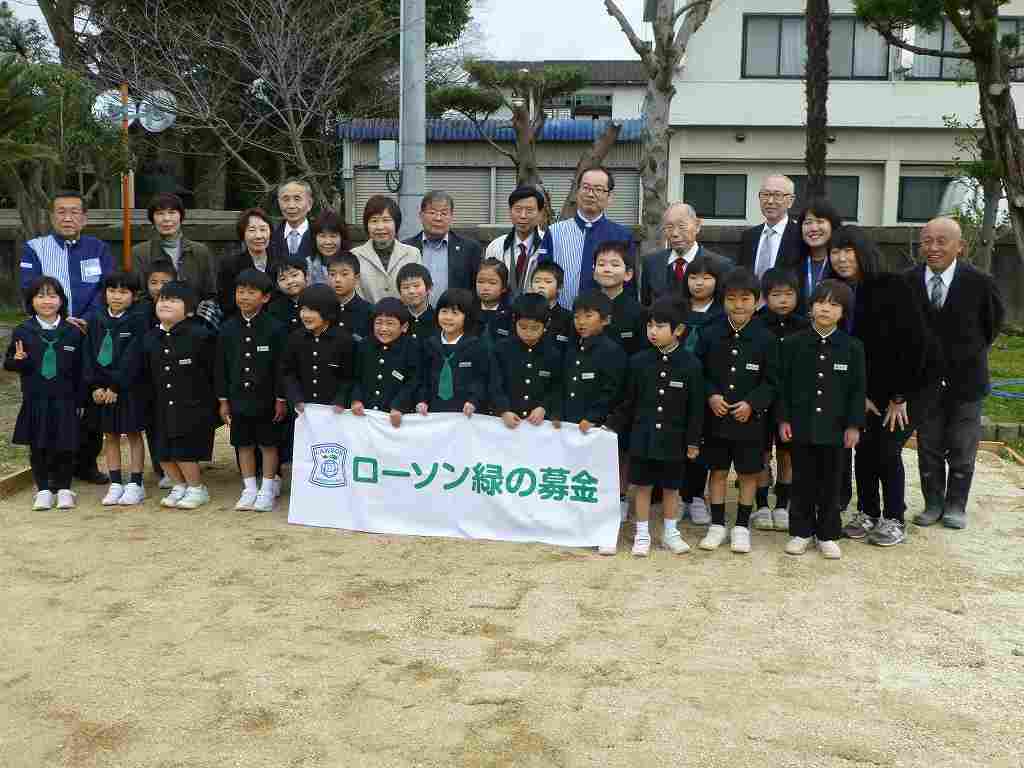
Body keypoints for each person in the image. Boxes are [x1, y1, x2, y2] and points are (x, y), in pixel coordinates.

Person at [828, 226, 930, 547]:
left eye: (848, 250)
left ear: (863, 252)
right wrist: (859, 396)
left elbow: (913, 344)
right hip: (864, 391)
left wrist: (898, 397)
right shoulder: (836, 291)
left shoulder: (892, 285)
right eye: (835, 252)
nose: (842, 258)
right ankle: (868, 512)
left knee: (887, 450)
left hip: (907, 387)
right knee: (864, 449)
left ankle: (894, 517)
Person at [906, 217, 1004, 530]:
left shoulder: (980, 282)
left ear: (959, 247)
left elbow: (991, 326)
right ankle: (933, 502)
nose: (933, 248)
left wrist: (964, 354)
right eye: (926, 241)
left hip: (967, 381)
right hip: (925, 381)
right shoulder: (907, 281)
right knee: (929, 445)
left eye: (941, 241)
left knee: (963, 447)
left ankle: (956, 504)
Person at [20, 190, 112, 485]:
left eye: (74, 211)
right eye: (61, 211)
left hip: (89, 331)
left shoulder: (97, 248)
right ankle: (50, 467)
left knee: (89, 396)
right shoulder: (34, 248)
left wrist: (86, 319)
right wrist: (60, 320)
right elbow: (28, 289)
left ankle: (86, 463)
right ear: (52, 216)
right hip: (50, 334)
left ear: (84, 217)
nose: (68, 217)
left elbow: (106, 288)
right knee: (54, 397)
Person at [779, 279, 865, 559]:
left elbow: (856, 390)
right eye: (820, 302)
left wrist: (854, 425)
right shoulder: (793, 344)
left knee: (832, 482)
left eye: (834, 304)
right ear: (811, 306)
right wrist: (784, 420)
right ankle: (800, 532)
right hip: (802, 425)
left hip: (835, 428)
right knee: (802, 480)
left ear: (844, 312)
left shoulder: (852, 348)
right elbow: (783, 385)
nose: (826, 309)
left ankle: (828, 533)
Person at [613, 296, 704, 557]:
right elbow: (628, 402)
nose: (653, 331)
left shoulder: (691, 364)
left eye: (660, 326)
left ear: (678, 330)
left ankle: (671, 533)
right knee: (642, 486)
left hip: (674, 439)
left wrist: (693, 442)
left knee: (671, 488)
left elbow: (695, 408)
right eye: (650, 325)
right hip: (642, 437)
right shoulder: (639, 362)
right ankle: (642, 534)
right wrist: (615, 429)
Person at [696, 267, 778, 554]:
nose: (738, 305)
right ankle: (717, 524)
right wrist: (711, 395)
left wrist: (752, 404)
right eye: (732, 299)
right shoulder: (710, 334)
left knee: (747, 474)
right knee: (717, 472)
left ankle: (742, 526)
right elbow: (700, 372)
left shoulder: (766, 338)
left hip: (750, 422)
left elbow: (772, 381)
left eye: (745, 299)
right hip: (716, 419)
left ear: (757, 302)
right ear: (723, 301)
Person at [4, 277, 85, 510]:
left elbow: (81, 369)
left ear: (61, 300)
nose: (46, 301)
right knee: (38, 445)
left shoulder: (72, 332)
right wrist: (17, 361)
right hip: (35, 398)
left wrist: (80, 400)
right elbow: (9, 364)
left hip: (66, 398)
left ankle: (64, 488)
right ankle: (43, 490)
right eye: (40, 296)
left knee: (65, 444)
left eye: (52, 296)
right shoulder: (23, 331)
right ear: (31, 301)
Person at [216, 269, 289, 513]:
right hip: (238, 398)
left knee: (268, 444)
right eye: (240, 291)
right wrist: (224, 400)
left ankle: (267, 488)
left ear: (265, 297)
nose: (244, 297)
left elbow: (281, 367)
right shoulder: (227, 328)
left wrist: (280, 398)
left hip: (267, 399)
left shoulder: (275, 328)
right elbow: (222, 367)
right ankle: (249, 488)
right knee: (243, 444)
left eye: (251, 292)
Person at [561, 290, 628, 555]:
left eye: (588, 316)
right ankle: (576, 528)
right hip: (572, 426)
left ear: (605, 320)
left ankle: (605, 532)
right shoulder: (572, 348)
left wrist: (596, 417)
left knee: (600, 483)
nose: (581, 321)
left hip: (599, 429)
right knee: (575, 481)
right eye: (577, 316)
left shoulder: (612, 351)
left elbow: (613, 391)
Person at [141, 281, 216, 510]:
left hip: (192, 404)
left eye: (173, 300)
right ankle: (179, 485)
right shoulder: (150, 337)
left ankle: (196, 488)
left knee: (185, 450)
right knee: (162, 451)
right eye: (162, 299)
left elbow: (213, 371)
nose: (165, 304)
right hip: (159, 404)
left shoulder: (201, 335)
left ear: (190, 309)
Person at [749, 267, 809, 533]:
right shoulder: (756, 322)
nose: (783, 300)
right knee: (761, 452)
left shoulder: (805, 325)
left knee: (787, 453)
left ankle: (783, 504)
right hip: (762, 398)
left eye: (789, 294)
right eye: (776, 294)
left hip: (793, 401)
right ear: (765, 296)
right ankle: (761, 505)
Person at [83, 271, 150, 507]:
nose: (117, 297)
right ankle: (115, 482)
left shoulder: (138, 320)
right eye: (112, 291)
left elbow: (134, 357)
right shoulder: (96, 319)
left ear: (134, 295)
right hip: (102, 390)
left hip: (127, 388)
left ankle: (136, 483)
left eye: (123, 292)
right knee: (109, 435)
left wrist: (115, 385)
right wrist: (95, 386)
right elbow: (88, 354)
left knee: (132, 434)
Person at [593, 240, 644, 519]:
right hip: (591, 387)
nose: (607, 269)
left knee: (621, 445)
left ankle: (622, 496)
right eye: (601, 264)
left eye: (615, 264)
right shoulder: (587, 304)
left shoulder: (637, 311)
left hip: (625, 390)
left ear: (628, 274)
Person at [679, 253, 725, 526]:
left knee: (701, 442)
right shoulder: (677, 309)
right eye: (694, 277)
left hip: (707, 387)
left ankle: (697, 496)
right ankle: (680, 496)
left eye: (706, 278)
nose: (699, 283)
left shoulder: (721, 314)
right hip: (676, 386)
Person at [547, 166, 635, 309]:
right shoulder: (554, 231)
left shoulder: (622, 235)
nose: (590, 194)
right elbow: (543, 277)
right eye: (586, 187)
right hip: (563, 317)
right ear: (577, 192)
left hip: (608, 318)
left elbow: (629, 286)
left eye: (598, 189)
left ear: (609, 197)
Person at [131, 193, 218, 324]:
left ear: (181, 216)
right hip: (153, 324)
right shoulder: (140, 252)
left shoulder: (200, 251)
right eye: (160, 213)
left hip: (194, 323)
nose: (166, 219)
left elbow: (210, 292)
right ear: (152, 219)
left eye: (172, 212)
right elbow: (139, 295)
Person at [280, 285, 357, 414]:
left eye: (312, 310)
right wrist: (296, 398)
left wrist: (340, 400)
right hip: (303, 411)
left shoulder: (344, 340)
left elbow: (349, 376)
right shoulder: (296, 338)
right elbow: (288, 372)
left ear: (328, 311)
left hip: (335, 412)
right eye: (303, 309)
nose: (306, 315)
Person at [490, 292, 563, 427]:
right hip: (505, 421)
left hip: (538, 423)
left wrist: (543, 407)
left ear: (546, 324)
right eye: (522, 327)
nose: (528, 333)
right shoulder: (501, 349)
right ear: (514, 321)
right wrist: (503, 410)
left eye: (535, 328)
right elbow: (495, 384)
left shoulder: (553, 354)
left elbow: (556, 387)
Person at [416, 288, 491, 418]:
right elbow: (423, 378)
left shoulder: (476, 345)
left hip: (466, 413)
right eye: (444, 311)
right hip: (434, 412)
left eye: (455, 313)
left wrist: (474, 400)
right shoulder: (429, 344)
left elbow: (481, 379)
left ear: (467, 316)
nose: (448, 318)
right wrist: (422, 400)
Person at [640, 202, 733, 306]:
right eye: (669, 227)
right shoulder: (651, 263)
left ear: (697, 226)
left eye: (681, 226)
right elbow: (646, 306)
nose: (675, 233)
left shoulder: (721, 265)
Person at [351, 298, 423, 429]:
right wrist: (356, 399)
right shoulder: (364, 345)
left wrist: (399, 405)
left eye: (390, 324)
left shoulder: (412, 347)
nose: (383, 329)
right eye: (378, 323)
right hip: (366, 414)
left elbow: (413, 381)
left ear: (404, 327)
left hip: (396, 416)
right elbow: (355, 377)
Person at [404, 191, 483, 296]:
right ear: (421, 215)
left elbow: (476, 289)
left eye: (444, 213)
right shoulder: (406, 248)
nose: (438, 218)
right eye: (432, 213)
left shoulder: (470, 248)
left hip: (456, 311)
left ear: (451, 217)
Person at [352, 195, 422, 303]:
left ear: (396, 223)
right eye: (374, 221)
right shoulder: (355, 256)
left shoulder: (413, 254)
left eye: (386, 220)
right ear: (367, 225)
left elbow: (418, 292)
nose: (380, 227)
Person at [484, 186, 549, 294]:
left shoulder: (548, 244)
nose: (523, 216)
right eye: (518, 210)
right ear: (510, 211)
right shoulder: (496, 246)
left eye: (529, 210)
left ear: (540, 213)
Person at [738, 174, 802, 279]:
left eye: (777, 195)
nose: (770, 201)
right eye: (765, 194)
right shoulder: (749, 236)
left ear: (790, 201)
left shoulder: (800, 236)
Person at [268, 179, 330, 285]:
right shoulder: (270, 237)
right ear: (279, 203)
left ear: (310, 204)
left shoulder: (323, 237)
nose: (291, 205)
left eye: (297, 199)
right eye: (285, 199)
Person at [219, 208, 276, 316]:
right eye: (252, 230)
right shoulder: (230, 264)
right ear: (243, 234)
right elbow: (226, 303)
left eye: (263, 229)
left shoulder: (280, 260)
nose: (258, 236)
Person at [328, 251, 372, 343]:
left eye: (344, 274)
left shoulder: (369, 311)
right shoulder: (322, 308)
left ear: (356, 278)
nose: (337, 280)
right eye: (332, 274)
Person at [530, 262, 574, 355]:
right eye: (537, 281)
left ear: (560, 287)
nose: (541, 286)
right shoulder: (522, 313)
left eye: (548, 282)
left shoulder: (569, 318)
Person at [267, 255, 309, 333]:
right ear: (277, 285)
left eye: (294, 275)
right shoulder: (274, 309)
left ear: (306, 275)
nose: (290, 281)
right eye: (282, 279)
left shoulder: (319, 299)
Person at [308, 208, 349, 286]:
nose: (328, 242)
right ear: (314, 238)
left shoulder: (352, 264)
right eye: (322, 236)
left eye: (333, 236)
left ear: (342, 238)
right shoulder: (307, 266)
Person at [475, 258, 513, 342]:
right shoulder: (468, 310)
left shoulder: (511, 314)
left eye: (492, 283)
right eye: (480, 282)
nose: (485, 287)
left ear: (504, 287)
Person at [397, 263, 435, 341]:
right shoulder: (396, 320)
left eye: (416, 286)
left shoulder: (439, 319)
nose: (411, 291)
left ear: (429, 288)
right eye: (406, 287)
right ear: (400, 292)